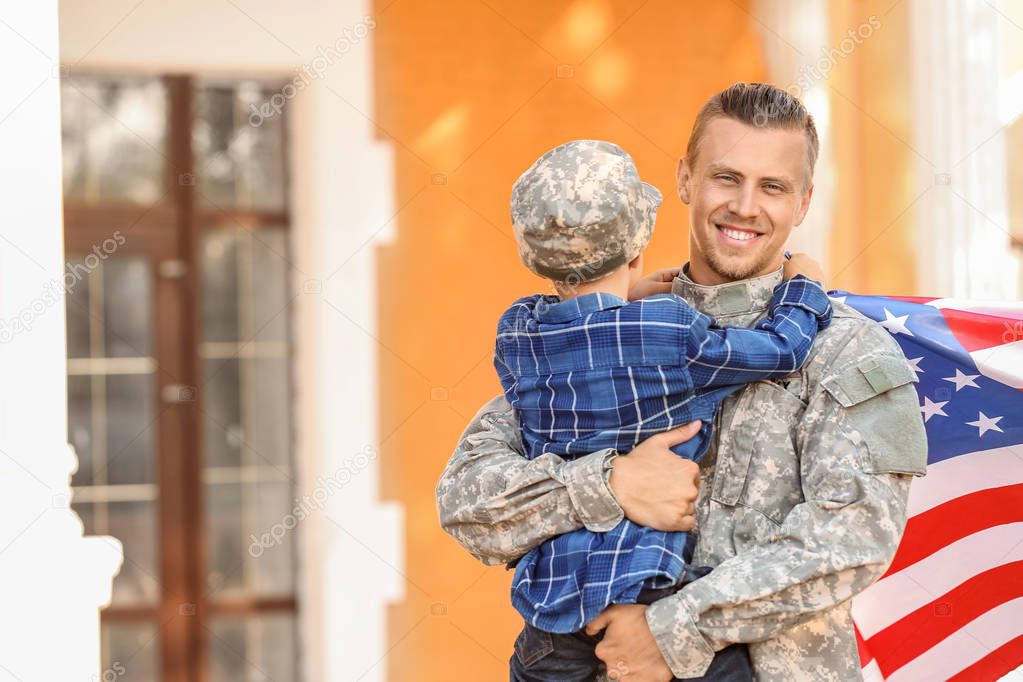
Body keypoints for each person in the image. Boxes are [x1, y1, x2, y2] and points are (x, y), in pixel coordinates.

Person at [438, 83, 927, 681]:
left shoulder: (845, 349)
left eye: (772, 186)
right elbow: (466, 502)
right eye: (726, 177)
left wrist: (672, 630)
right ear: (685, 181)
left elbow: (853, 536)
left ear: (802, 204)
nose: (746, 206)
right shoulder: (607, 332)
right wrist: (607, 484)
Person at [494, 139, 833, 681]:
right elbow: (781, 350)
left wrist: (620, 308)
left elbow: (561, 370)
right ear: (637, 247)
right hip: (646, 589)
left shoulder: (515, 331)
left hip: (550, 616)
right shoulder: (670, 328)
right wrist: (806, 290)